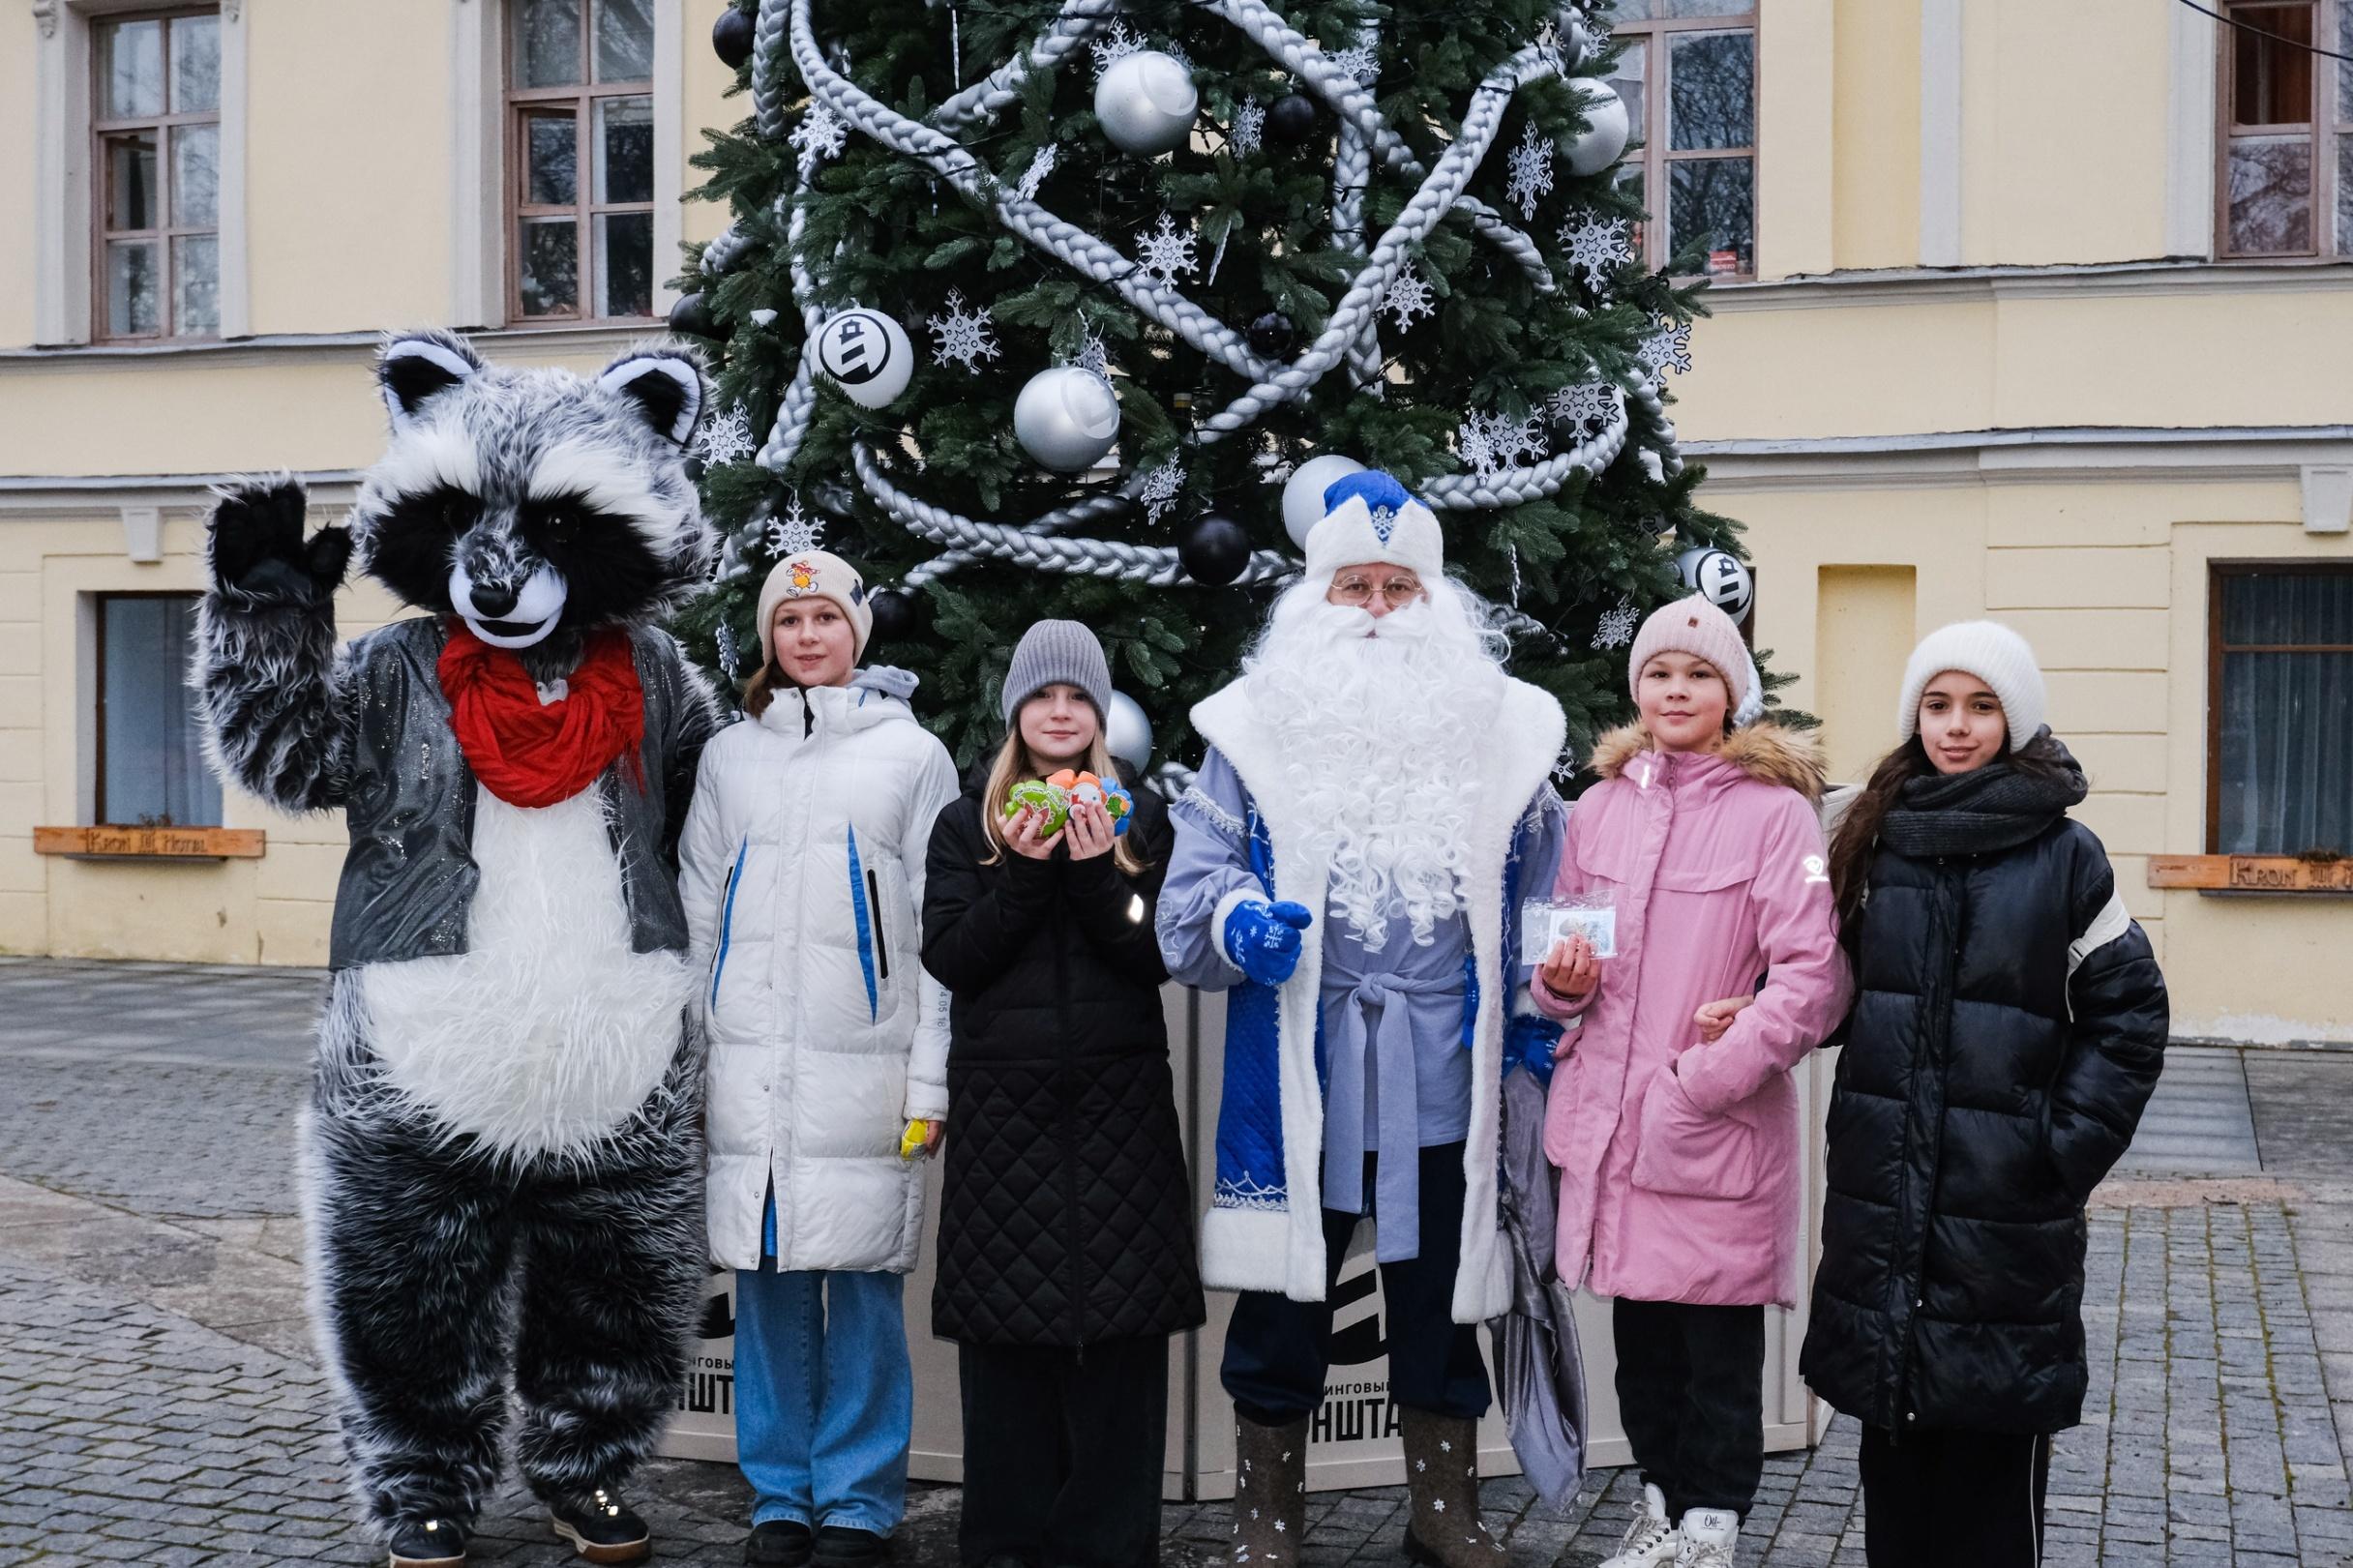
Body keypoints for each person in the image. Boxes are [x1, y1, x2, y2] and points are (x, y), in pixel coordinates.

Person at [1157, 471, 1567, 1568]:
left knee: (1435, 1296)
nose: (1379, 608)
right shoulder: (1247, 732)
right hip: (1304, 1064)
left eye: (1399, 585)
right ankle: (1267, 1516)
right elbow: (1189, 899)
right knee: (1285, 1300)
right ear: (1313, 600)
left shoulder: (1509, 732)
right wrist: (1244, 928)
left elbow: (1550, 896)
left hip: (1446, 1065)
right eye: (1355, 588)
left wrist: (1548, 1002)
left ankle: (1444, 1508)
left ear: (1437, 603)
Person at [1797, 622, 2167, 1568]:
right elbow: (1837, 989)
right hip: (1885, 1209)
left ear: (2015, 718)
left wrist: (2054, 1149)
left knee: (1989, 1493)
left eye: (1979, 705)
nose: (1954, 726)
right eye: (1935, 704)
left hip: (2002, 1222)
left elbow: (2128, 1011)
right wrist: (1756, 1006)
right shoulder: (1876, 837)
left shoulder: (2064, 856)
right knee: (1898, 1476)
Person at [1530, 595, 1853, 1568]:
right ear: (1637, 689)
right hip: (1610, 1131)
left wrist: (1709, 1072)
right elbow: (1560, 960)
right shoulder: (1595, 809)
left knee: (1714, 1351)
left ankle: (1711, 1524)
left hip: (1705, 1125)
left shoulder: (1773, 815)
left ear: (1730, 694)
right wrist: (1556, 984)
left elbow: (1813, 977)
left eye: (1698, 674)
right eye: (1659, 673)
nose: (1676, 690)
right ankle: (1659, 1509)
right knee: (1641, 1346)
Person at [679, 550, 961, 1568]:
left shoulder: (910, 755)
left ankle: (856, 1499)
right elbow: (699, 916)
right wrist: (692, 1062)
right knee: (768, 1287)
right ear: (767, 639)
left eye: (824, 618)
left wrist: (930, 1075)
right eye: (787, 620)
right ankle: (779, 1496)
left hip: (868, 1069)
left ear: (858, 632)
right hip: (751, 1067)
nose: (806, 636)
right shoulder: (729, 758)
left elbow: (942, 928)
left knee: (864, 1290)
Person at [921, 620, 1205, 1568]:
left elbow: (1146, 950)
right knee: (1005, 1346)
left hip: (1118, 1114)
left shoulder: (1141, 820)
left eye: (1075, 697)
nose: (1057, 710)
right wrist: (1025, 870)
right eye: (1041, 696)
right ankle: (1004, 1544)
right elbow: (956, 957)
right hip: (1005, 1120)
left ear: (1097, 715)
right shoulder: (966, 824)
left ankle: (1110, 1544)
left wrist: (1092, 872)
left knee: (1120, 1346)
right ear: (1016, 713)